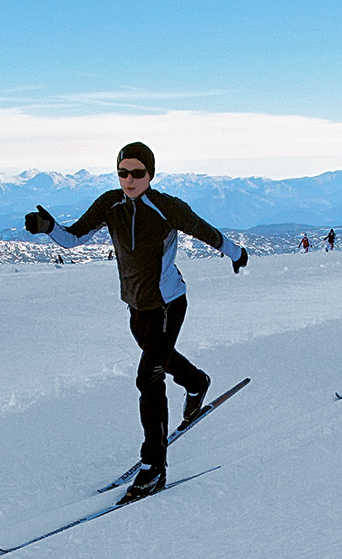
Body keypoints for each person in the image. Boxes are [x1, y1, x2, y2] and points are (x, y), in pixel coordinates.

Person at [24, 142, 248, 502]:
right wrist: (49, 226)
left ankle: (154, 467)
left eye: (137, 173)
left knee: (149, 377)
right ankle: (195, 380)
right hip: (136, 307)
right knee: (158, 359)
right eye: (123, 172)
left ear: (151, 174)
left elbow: (205, 231)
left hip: (167, 304)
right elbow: (75, 237)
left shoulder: (166, 207)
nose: (129, 179)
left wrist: (236, 253)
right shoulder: (109, 204)